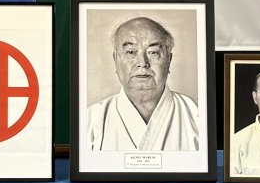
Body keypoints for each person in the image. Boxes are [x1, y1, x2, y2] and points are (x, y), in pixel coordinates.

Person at [85, 15, 202, 151]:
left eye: (153, 52)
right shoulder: (90, 120)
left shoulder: (199, 116)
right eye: (130, 52)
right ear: (115, 59)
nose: (142, 63)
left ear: (169, 60)